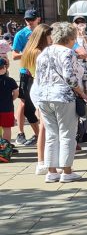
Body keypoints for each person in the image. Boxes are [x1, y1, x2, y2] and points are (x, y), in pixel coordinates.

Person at [31, 21, 87, 183]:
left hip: (44, 96)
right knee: (67, 134)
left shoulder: (43, 52)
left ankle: (51, 171)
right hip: (62, 96)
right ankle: (67, 171)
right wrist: (82, 93)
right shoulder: (67, 53)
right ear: (69, 37)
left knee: (51, 134)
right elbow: (70, 78)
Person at [19, 24, 51, 174]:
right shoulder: (40, 52)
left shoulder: (30, 51)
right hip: (42, 87)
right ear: (43, 37)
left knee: (44, 126)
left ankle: (43, 161)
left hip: (36, 86)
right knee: (45, 127)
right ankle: (43, 161)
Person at [10, 9, 42, 146]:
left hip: (41, 72)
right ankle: (21, 133)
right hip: (27, 72)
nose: (29, 22)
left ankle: (40, 134)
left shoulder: (43, 32)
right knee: (24, 102)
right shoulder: (21, 34)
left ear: (38, 19)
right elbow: (14, 55)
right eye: (27, 19)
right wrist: (30, 53)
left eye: (32, 19)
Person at [0, 58, 18, 141]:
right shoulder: (10, 81)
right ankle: (5, 148)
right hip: (7, 108)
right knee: (7, 128)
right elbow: (16, 93)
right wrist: (11, 99)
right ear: (4, 68)